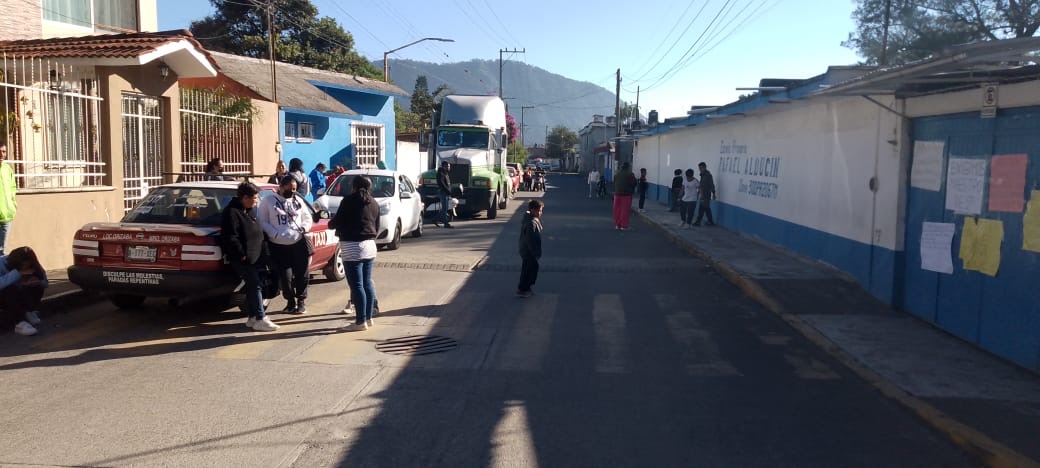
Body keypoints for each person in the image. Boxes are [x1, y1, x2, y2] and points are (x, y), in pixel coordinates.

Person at [221, 182, 279, 332]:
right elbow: (230, 237)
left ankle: (253, 317)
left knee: (255, 285)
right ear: (244, 198)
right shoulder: (232, 213)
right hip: (243, 258)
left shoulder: (250, 211)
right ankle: (260, 318)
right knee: (255, 285)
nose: (256, 201)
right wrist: (242, 255)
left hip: (256, 256)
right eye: (254, 198)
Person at [330, 175, 379, 332]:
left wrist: (330, 222)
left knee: (357, 285)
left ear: (354, 186)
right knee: (367, 282)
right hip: (370, 245)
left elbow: (336, 222)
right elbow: (376, 225)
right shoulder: (374, 202)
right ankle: (368, 318)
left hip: (351, 245)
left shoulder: (348, 201)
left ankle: (360, 321)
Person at [259, 175, 313, 314]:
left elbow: (307, 218)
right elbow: (263, 221)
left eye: (294, 189)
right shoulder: (268, 201)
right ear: (281, 187)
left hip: (298, 243)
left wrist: (304, 228)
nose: (292, 192)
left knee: (302, 274)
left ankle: (301, 301)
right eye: (289, 189)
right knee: (285, 276)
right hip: (278, 245)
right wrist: (274, 233)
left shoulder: (297, 200)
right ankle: (290, 301)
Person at [1, 246, 48, 336]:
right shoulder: (2, 263)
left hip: (20, 294)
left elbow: (45, 282)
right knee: (10, 289)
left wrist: (37, 282)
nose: (26, 267)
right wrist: (17, 273)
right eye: (23, 265)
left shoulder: (34, 264)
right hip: (5, 296)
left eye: (28, 265)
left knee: (37, 287)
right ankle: (19, 323)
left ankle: (29, 311)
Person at [516, 199, 543, 298]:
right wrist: (535, 252)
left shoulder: (531, 220)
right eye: (539, 210)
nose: (540, 213)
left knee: (529, 268)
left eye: (541, 210)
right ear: (532, 210)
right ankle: (522, 289)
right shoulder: (531, 222)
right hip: (528, 251)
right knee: (529, 270)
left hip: (527, 250)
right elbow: (529, 240)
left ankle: (526, 287)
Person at [0, 142, 16, 256]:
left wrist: (13, 203)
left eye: (4, 151)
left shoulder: (7, 169)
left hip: (7, 216)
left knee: (2, 249)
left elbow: (12, 188)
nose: (2, 154)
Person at [612, 162, 637, 230]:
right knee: (624, 210)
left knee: (617, 210)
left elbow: (614, 182)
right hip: (626, 195)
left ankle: (617, 225)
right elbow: (634, 183)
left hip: (617, 194)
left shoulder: (617, 174)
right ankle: (624, 226)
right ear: (628, 167)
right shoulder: (630, 174)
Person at [693, 162, 717, 226]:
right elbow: (701, 185)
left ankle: (699, 222)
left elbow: (711, 184)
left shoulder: (708, 175)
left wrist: (714, 193)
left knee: (702, 208)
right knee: (706, 208)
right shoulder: (702, 175)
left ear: (704, 167)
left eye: (701, 168)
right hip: (702, 194)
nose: (700, 169)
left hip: (706, 194)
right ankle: (710, 221)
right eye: (699, 168)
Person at [436, 160, 454, 228]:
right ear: (444, 166)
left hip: (446, 192)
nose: (449, 168)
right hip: (443, 192)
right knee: (444, 208)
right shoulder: (441, 173)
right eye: (448, 166)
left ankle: (435, 219)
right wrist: (447, 190)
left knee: (445, 208)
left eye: (449, 166)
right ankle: (446, 223)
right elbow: (442, 184)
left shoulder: (445, 173)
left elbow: (447, 183)